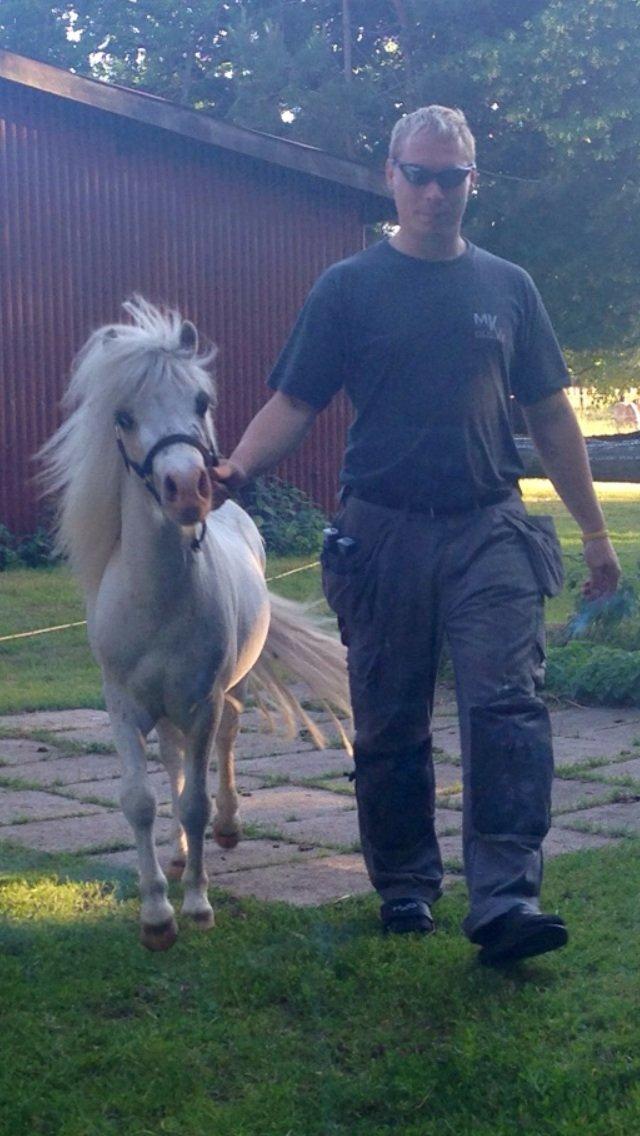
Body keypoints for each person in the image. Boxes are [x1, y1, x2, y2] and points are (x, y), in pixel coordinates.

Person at [213, 106, 620, 965]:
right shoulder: (348, 288)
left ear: (474, 182)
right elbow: (294, 400)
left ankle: (507, 898)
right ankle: (404, 883)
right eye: (419, 175)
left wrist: (594, 532)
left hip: (489, 526)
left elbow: (551, 415)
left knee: (507, 708)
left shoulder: (508, 287)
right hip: (381, 531)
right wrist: (235, 469)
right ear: (391, 177)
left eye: (452, 177)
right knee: (391, 717)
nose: (435, 192)